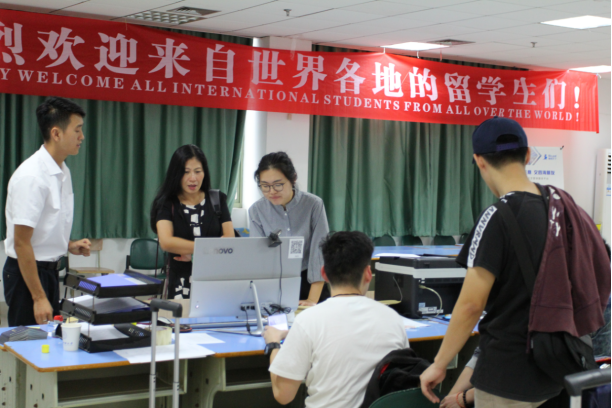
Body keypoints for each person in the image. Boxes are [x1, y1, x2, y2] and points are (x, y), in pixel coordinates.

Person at [420, 117, 610, 407]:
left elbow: (471, 305)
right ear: (528, 155)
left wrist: (439, 363)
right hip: (558, 367)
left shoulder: (496, 217)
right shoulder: (564, 208)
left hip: (507, 375)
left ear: (479, 160)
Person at [262, 231, 408, 408]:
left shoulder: (308, 321)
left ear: (324, 274)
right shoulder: (393, 319)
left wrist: (274, 344)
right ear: (368, 273)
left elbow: (283, 395)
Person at [3, 96, 91, 326]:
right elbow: (21, 242)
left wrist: (68, 245)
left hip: (49, 271)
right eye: (77, 130)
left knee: (49, 339)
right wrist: (38, 297)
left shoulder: (62, 170)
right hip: (27, 275)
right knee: (27, 341)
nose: (82, 137)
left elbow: (45, 224)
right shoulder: (32, 176)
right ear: (56, 133)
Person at [150, 144, 234, 299]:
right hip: (181, 283)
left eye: (198, 171)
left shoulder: (217, 199)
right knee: (182, 315)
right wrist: (209, 249)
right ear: (176, 173)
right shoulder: (167, 203)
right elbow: (166, 242)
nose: (193, 178)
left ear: (204, 172)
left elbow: (229, 240)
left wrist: (194, 254)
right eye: (186, 172)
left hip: (215, 280)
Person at [249, 152, 330, 305]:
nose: (271, 191)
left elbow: (319, 253)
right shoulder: (257, 211)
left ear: (293, 179)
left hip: (311, 282)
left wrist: (312, 299)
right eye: (265, 186)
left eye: (278, 184)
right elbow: (259, 257)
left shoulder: (313, 205)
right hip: (274, 284)